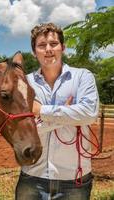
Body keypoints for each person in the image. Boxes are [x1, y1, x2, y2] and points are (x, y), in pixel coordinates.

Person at [15, 23, 99, 199]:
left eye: (53, 44)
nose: (48, 49)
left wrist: (41, 111)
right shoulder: (25, 84)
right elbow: (22, 130)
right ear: (34, 51)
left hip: (74, 179)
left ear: (63, 47)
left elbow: (89, 113)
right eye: (41, 45)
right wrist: (67, 115)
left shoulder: (83, 76)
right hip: (32, 176)